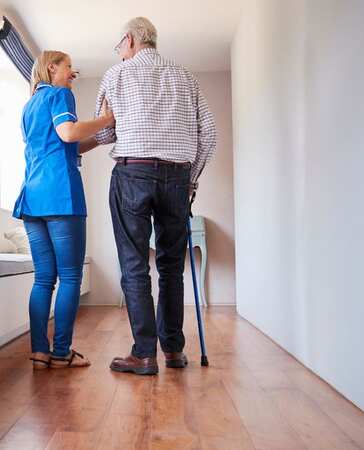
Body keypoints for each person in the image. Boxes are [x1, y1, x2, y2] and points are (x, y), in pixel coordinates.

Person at [95, 17, 217, 375]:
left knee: (134, 265)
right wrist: (190, 180)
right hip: (177, 177)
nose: (119, 53)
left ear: (130, 40)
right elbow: (208, 135)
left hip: (132, 172)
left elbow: (104, 133)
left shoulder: (116, 76)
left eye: (119, 46)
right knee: (171, 268)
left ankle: (144, 354)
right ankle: (174, 352)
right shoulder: (187, 77)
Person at [13, 50, 114, 370]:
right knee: (70, 276)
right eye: (69, 66)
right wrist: (107, 120)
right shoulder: (61, 95)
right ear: (52, 68)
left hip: (32, 197)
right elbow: (68, 133)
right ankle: (61, 352)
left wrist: (99, 138)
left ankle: (40, 351)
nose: (73, 72)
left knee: (44, 279)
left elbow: (65, 144)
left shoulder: (29, 106)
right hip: (60, 195)